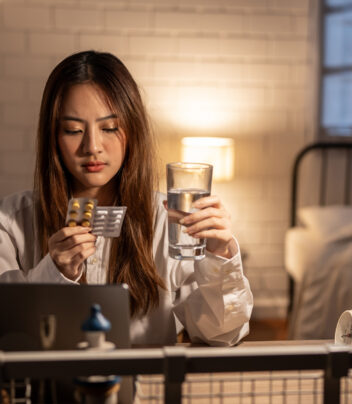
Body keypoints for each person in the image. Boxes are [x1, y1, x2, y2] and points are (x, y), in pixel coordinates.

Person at [0, 50, 253, 347]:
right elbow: (9, 334)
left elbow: (222, 333)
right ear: (53, 136)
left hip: (147, 392)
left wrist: (221, 254)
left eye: (109, 128)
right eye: (73, 130)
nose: (92, 146)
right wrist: (53, 274)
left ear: (132, 130)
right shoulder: (12, 219)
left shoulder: (168, 220)